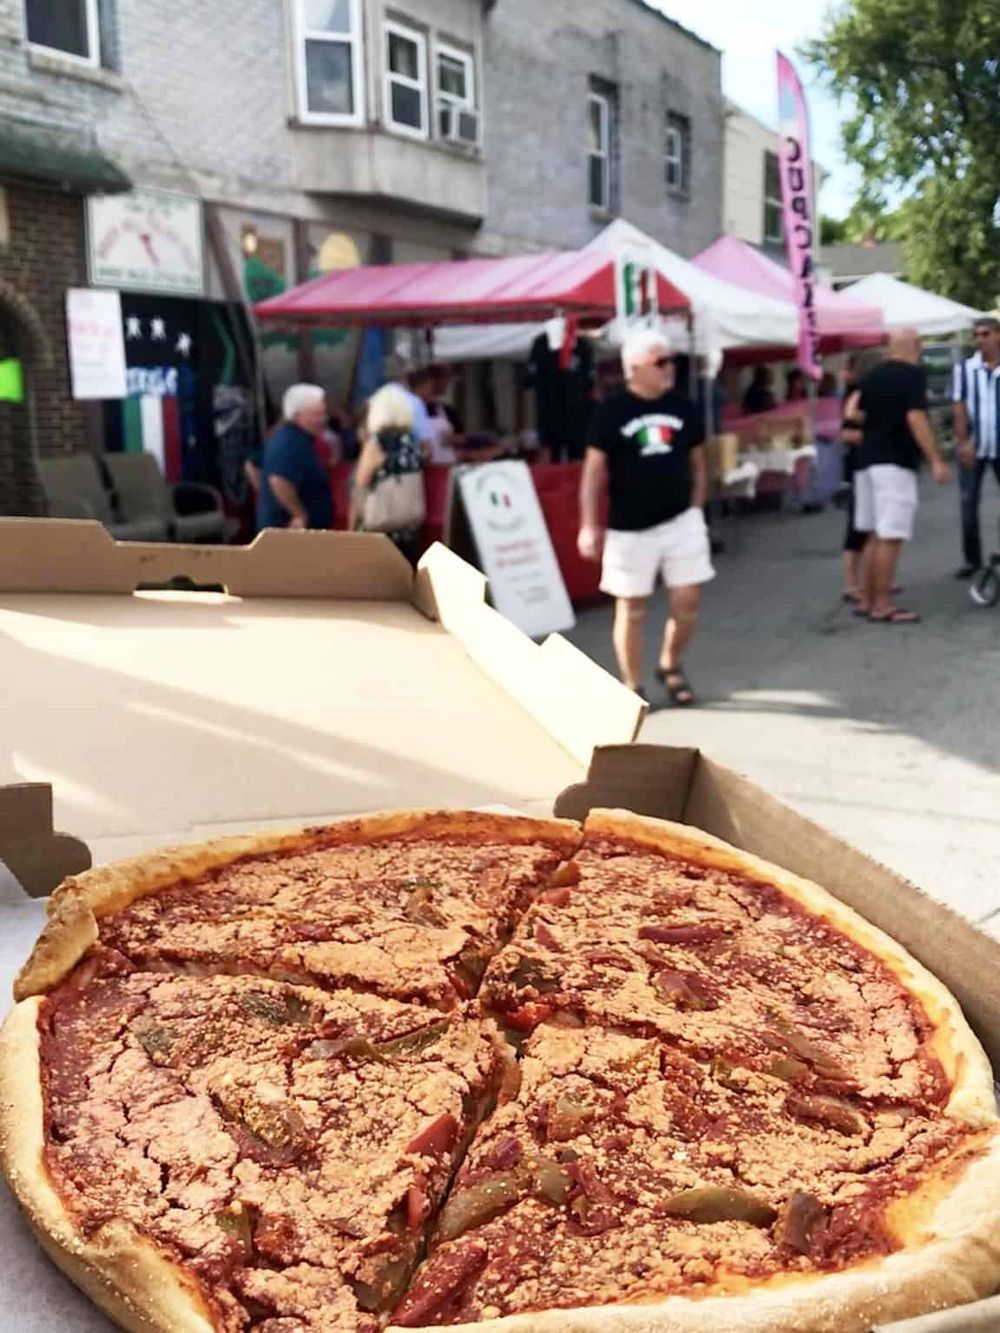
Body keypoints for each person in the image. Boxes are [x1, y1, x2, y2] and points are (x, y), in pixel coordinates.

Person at [578, 328, 713, 705]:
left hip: (681, 519)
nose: (670, 368)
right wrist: (589, 524)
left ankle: (670, 662)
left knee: (687, 601)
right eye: (661, 362)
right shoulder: (611, 411)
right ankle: (632, 684)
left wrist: (697, 506)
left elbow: (700, 461)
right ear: (635, 367)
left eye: (672, 360)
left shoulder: (683, 407)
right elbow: (592, 473)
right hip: (629, 527)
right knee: (632, 607)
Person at [852, 328, 951, 624]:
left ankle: (867, 600)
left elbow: (857, 413)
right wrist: (936, 459)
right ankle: (883, 605)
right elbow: (915, 417)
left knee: (873, 533)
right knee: (891, 534)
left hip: (867, 461)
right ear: (917, 346)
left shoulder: (872, 376)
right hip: (895, 462)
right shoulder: (911, 375)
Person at [350, 383, 425, 561]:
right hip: (408, 527)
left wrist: (352, 528)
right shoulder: (413, 443)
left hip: (380, 528)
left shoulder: (376, 444)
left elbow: (360, 485)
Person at [952, 317, 1000, 579]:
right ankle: (972, 560)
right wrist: (962, 442)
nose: (980, 339)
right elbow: (958, 406)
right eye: (976, 335)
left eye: (985, 334)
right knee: (968, 503)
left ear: (998, 336)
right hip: (975, 445)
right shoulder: (964, 369)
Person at [256, 384, 334, 531]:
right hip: (287, 533)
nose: (324, 419)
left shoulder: (297, 439)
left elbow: (253, 465)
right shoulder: (290, 442)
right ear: (298, 416)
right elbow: (279, 480)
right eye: (317, 414)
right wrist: (298, 514)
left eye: (324, 414)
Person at [840, 349, 884, 604]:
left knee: (874, 526)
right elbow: (846, 432)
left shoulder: (864, 393)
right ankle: (852, 584)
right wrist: (876, 434)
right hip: (858, 467)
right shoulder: (856, 394)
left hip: (865, 466)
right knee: (858, 528)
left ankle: (874, 579)